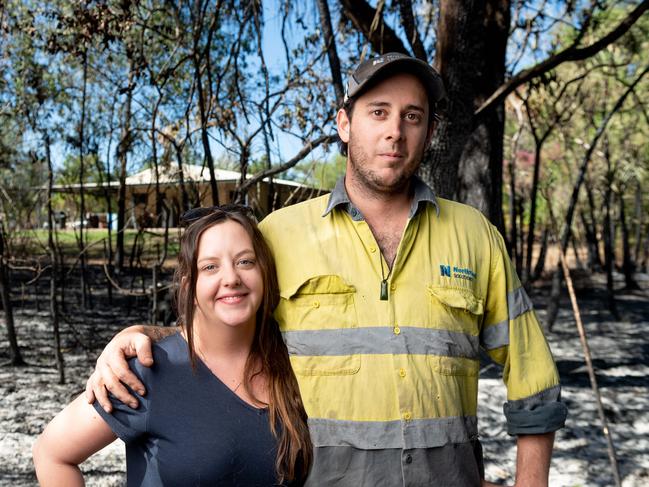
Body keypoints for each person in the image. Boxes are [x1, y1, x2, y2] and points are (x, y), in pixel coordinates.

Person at [85, 53, 567, 486]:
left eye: (412, 117)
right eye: (378, 112)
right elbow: (224, 319)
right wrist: (141, 335)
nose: (394, 131)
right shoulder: (279, 235)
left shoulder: (474, 235)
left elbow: (533, 377)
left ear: (430, 132)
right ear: (343, 124)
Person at [33, 206, 312, 486]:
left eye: (245, 262)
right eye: (210, 267)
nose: (231, 278)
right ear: (189, 287)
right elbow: (51, 453)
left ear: (265, 273)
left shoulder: (294, 360)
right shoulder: (148, 369)